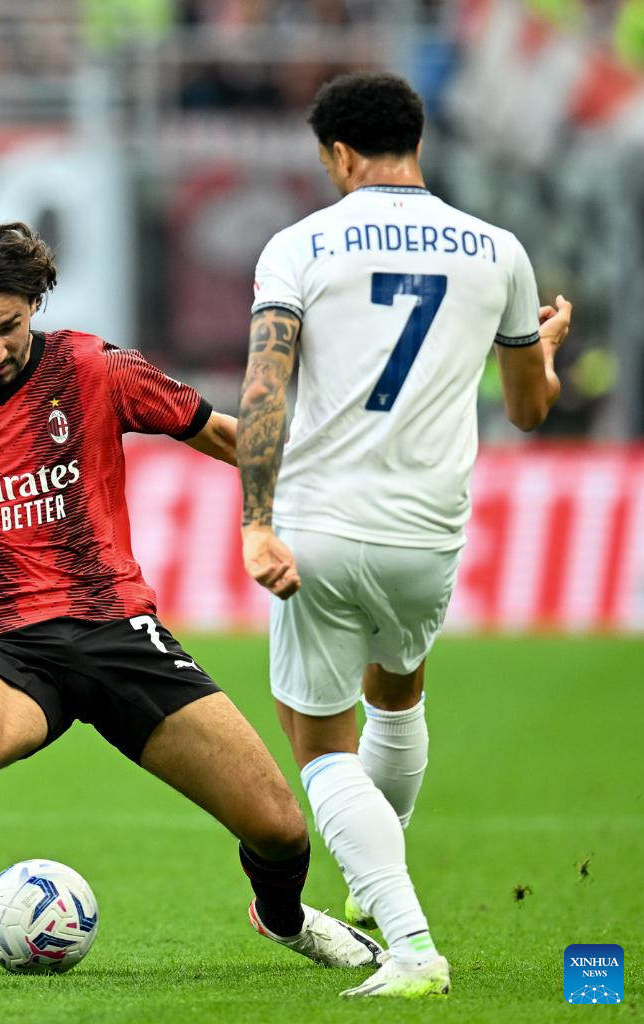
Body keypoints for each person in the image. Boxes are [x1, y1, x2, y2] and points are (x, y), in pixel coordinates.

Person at [0, 221, 382, 973]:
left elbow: (225, 436)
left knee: (280, 828)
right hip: (3, 644)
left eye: (9, 327)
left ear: (34, 304)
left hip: (118, 632)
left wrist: (330, 490)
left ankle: (283, 917)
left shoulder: (96, 368)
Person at [237, 73, 572, 999]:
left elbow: (265, 388)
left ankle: (412, 946)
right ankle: (374, 867)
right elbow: (530, 409)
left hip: (322, 526)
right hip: (429, 535)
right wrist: (542, 353)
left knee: (320, 747)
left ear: (340, 154)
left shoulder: (299, 246)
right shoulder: (499, 251)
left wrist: (256, 522)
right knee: (396, 694)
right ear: (415, 141)